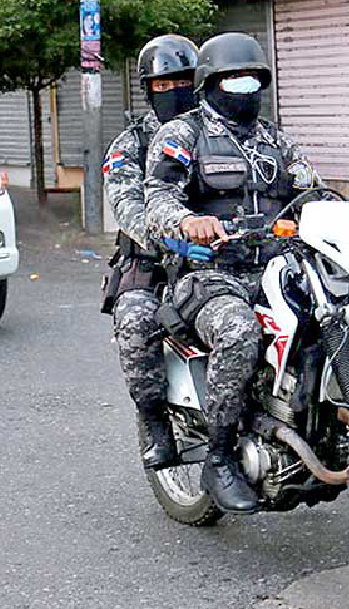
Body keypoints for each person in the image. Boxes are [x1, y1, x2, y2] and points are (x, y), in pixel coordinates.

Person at [144, 32, 307, 514]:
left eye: (253, 80)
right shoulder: (183, 134)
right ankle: (219, 455)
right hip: (208, 274)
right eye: (234, 80)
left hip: (278, 266)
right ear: (209, 83)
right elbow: (157, 198)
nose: (245, 89)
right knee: (238, 332)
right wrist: (186, 221)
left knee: (342, 313)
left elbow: (309, 187)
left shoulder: (275, 138)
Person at [101, 34, 199, 471]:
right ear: (147, 90)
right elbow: (129, 208)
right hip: (151, 263)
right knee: (137, 323)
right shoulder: (130, 144)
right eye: (162, 85)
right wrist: (173, 235)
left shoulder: (216, 134)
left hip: (223, 257)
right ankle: (156, 422)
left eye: (183, 81)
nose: (174, 91)